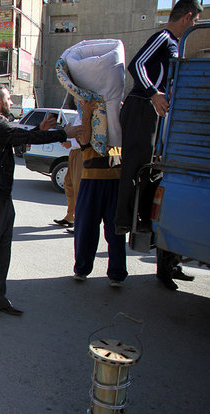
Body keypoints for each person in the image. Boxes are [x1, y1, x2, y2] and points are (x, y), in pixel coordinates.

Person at [0, 84, 83, 326]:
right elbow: (20, 135)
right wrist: (65, 133)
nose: (11, 101)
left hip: (1, 196)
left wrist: (37, 129)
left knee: (2, 251)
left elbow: (16, 134)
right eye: (8, 98)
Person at [114, 0, 201, 290]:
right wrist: (153, 93)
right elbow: (135, 64)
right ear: (188, 17)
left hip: (155, 113)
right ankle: (123, 220)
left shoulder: (176, 44)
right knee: (135, 167)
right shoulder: (163, 38)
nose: (193, 27)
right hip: (140, 107)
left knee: (151, 173)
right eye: (194, 21)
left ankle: (165, 259)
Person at [72, 101, 127, 287]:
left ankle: (117, 274)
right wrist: (87, 112)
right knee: (86, 228)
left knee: (115, 231)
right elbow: (85, 140)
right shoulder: (87, 122)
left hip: (115, 182)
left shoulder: (116, 129)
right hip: (92, 182)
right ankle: (82, 268)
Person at [54, 136, 82, 230]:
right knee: (69, 184)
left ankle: (80, 224)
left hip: (81, 151)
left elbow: (89, 136)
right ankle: (71, 217)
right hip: (75, 151)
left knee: (79, 188)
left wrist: (72, 143)